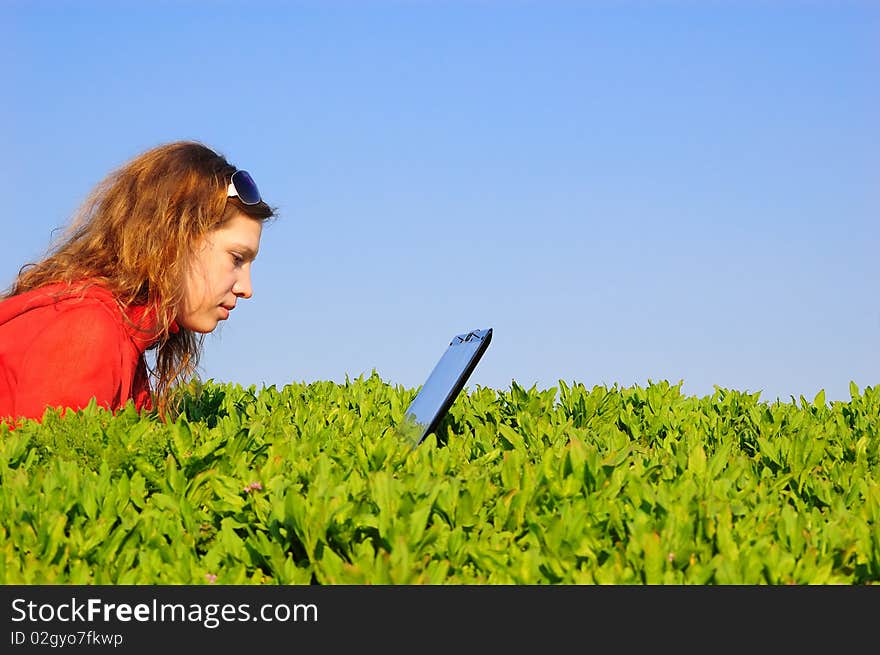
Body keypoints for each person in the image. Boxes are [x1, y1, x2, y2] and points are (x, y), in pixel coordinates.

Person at [0, 141, 275, 428]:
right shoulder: (87, 331)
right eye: (236, 258)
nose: (247, 287)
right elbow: (55, 466)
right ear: (175, 239)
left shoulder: (120, 329)